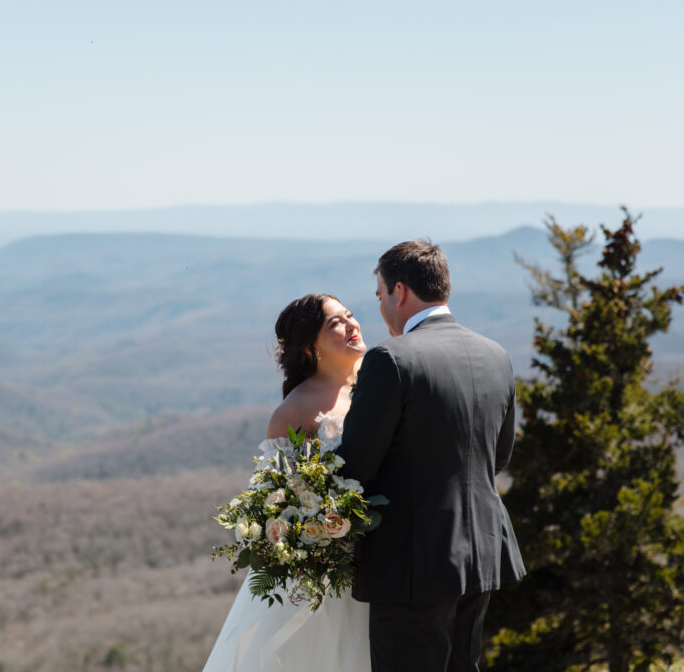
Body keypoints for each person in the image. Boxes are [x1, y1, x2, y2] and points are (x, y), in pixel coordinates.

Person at [335, 239, 525, 672]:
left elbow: (355, 468)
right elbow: (499, 456)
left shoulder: (391, 360)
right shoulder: (496, 355)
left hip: (411, 562)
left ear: (399, 292)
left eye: (381, 295)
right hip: (480, 554)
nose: (381, 307)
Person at [203, 293, 372, 671]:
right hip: (327, 569)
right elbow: (275, 497)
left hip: (384, 557)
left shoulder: (377, 383)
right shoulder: (295, 409)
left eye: (349, 315)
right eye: (335, 324)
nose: (351, 325)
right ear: (310, 349)